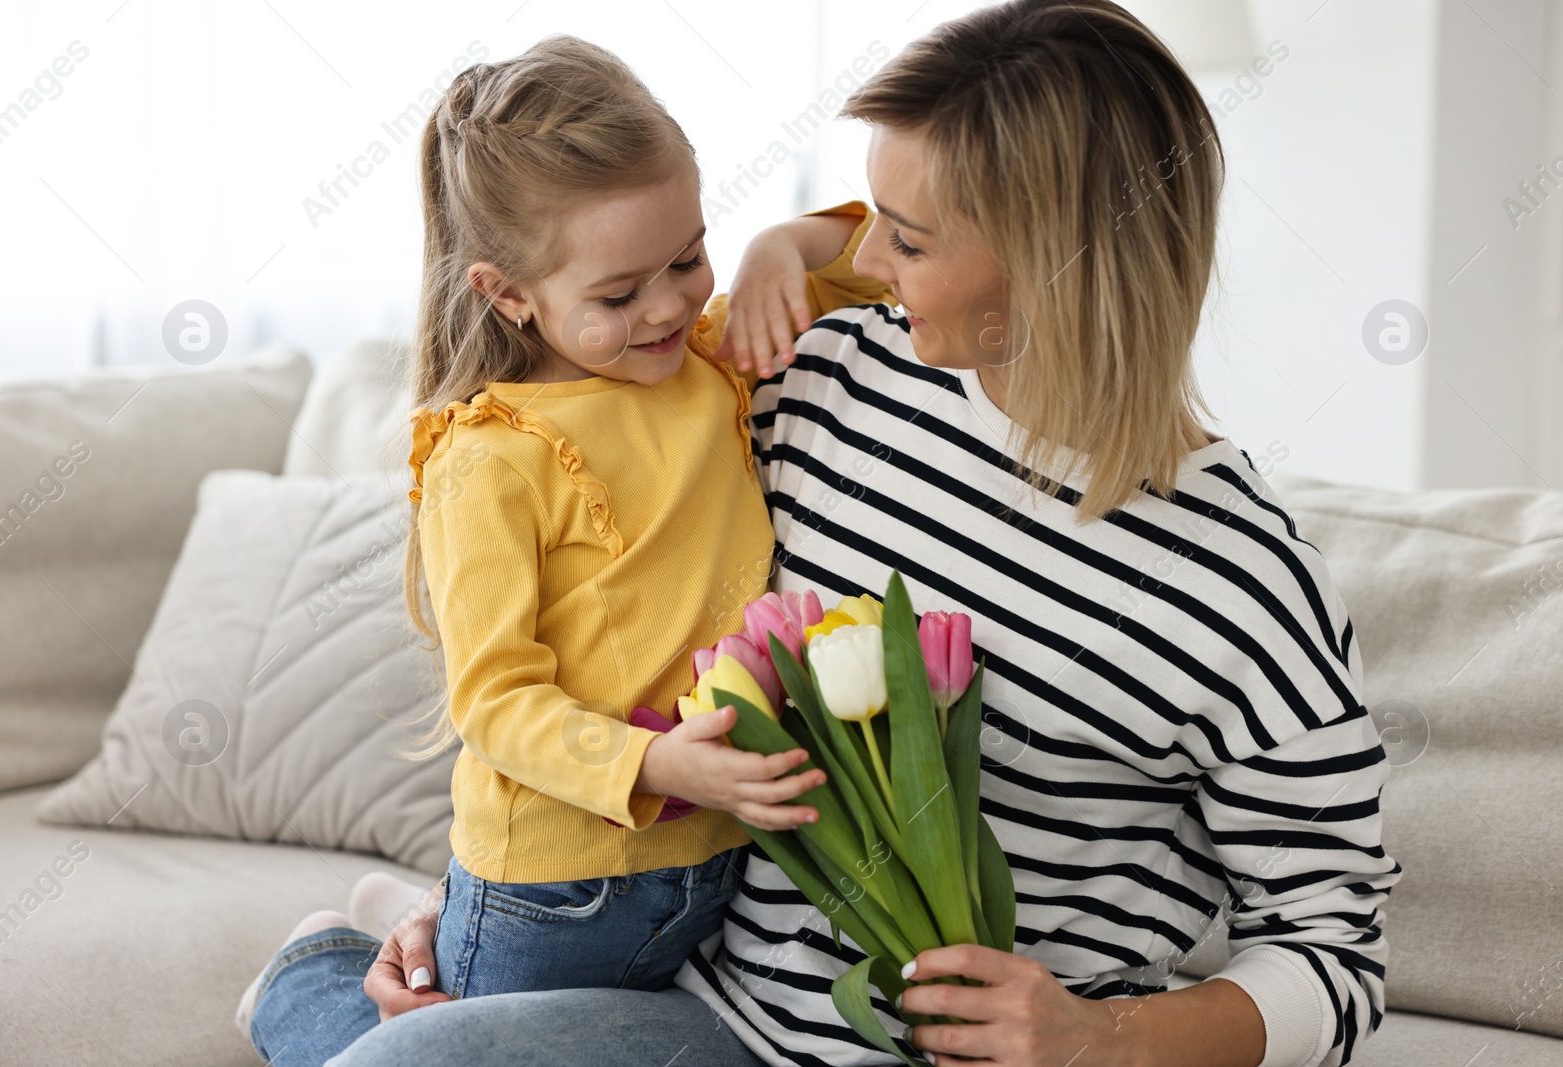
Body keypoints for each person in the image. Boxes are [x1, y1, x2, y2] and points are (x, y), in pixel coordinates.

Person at [260, 4, 1403, 1065]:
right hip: (713, 1019)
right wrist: (478, 917)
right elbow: (610, 607)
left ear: (1054, 259)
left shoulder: (1240, 579)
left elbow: (1334, 952)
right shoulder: (819, 381)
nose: (868, 265)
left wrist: (1104, 1038)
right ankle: (339, 975)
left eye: (904, 238)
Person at [236, 33, 894, 1067]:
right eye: (619, 293)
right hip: (554, 889)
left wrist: (780, 246)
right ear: (508, 294)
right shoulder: (491, 456)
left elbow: (883, 261)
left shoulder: (710, 362)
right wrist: (655, 761)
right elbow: (495, 701)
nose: (670, 303)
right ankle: (308, 974)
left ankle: (409, 917)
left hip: (711, 862)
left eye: (688, 256)